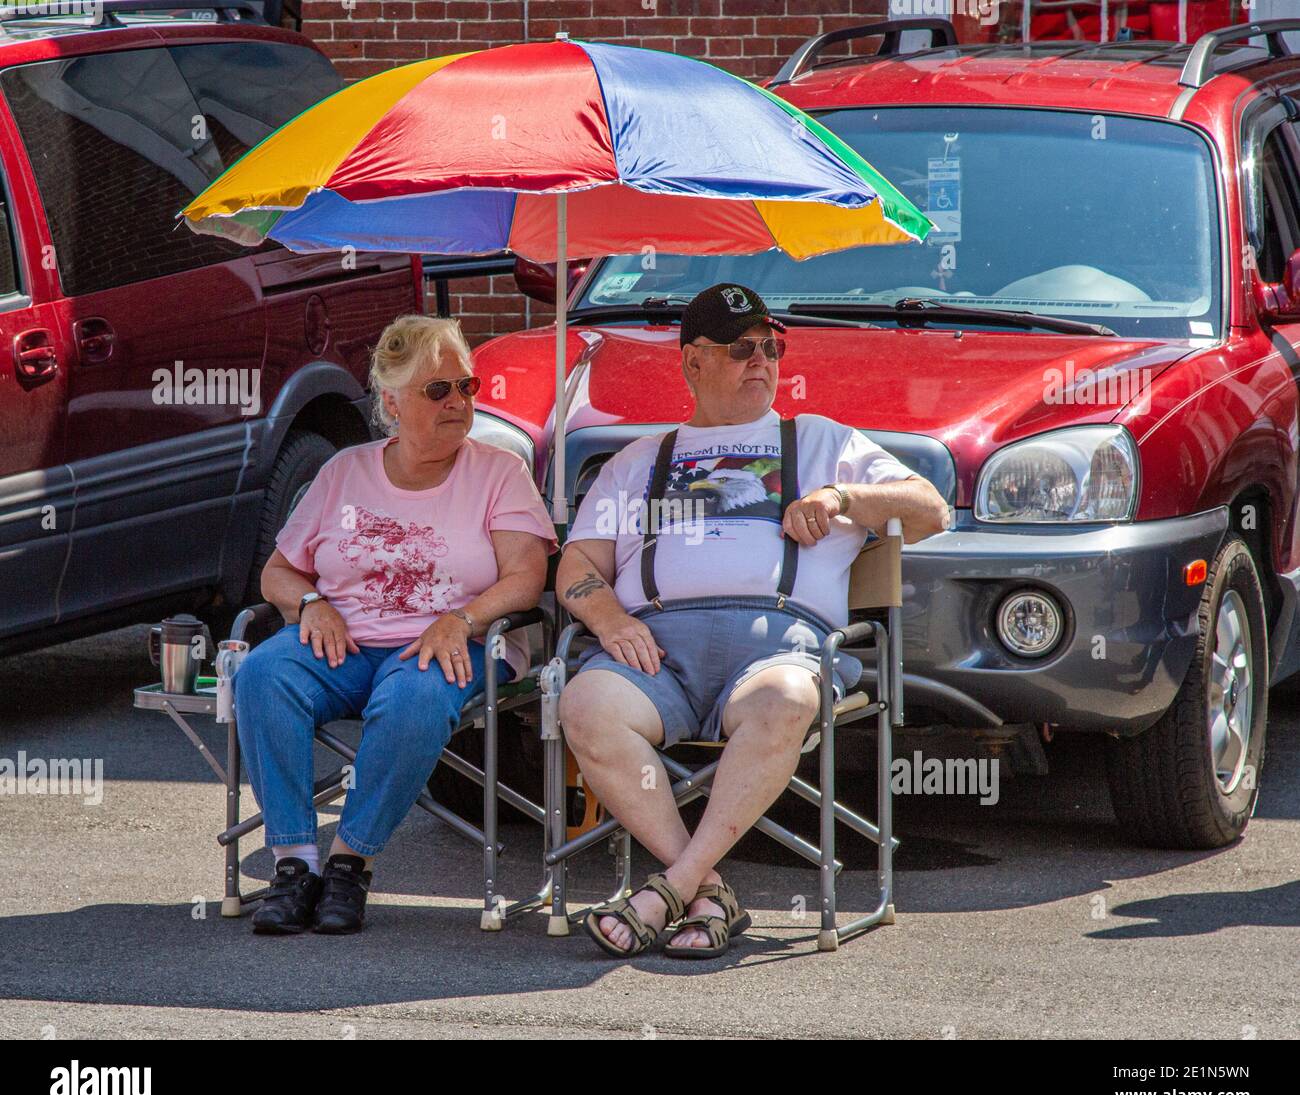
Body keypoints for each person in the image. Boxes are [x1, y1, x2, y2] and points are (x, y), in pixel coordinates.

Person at [557, 283, 949, 959]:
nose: (761, 360)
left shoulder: (822, 441)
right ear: (693, 363)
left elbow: (931, 510)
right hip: (656, 654)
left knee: (789, 698)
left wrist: (842, 495)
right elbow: (577, 566)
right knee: (583, 704)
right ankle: (704, 891)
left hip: (779, 650)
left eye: (771, 346)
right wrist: (609, 615)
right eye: (742, 348)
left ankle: (671, 888)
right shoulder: (637, 461)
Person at [234, 315, 556, 935]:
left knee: (411, 698)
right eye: (438, 391)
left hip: (455, 644)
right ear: (391, 400)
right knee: (263, 675)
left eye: (467, 386)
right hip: (344, 641)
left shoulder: (498, 472)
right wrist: (310, 605)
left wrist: (460, 620)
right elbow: (277, 573)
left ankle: (350, 863)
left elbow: (526, 577)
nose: (459, 402)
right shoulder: (344, 471)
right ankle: (296, 865)